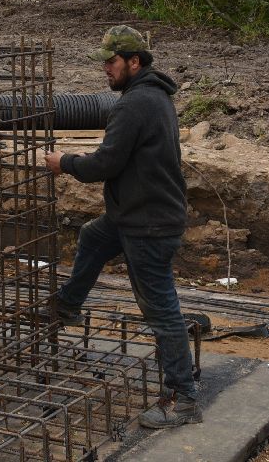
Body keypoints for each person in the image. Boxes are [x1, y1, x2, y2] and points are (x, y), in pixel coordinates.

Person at [43, 25, 200, 430]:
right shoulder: (155, 96)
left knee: (160, 311)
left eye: (111, 62)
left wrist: (67, 162)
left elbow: (106, 165)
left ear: (134, 62)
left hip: (147, 224)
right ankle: (69, 304)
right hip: (138, 212)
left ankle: (182, 399)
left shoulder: (133, 105)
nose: (105, 70)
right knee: (94, 236)